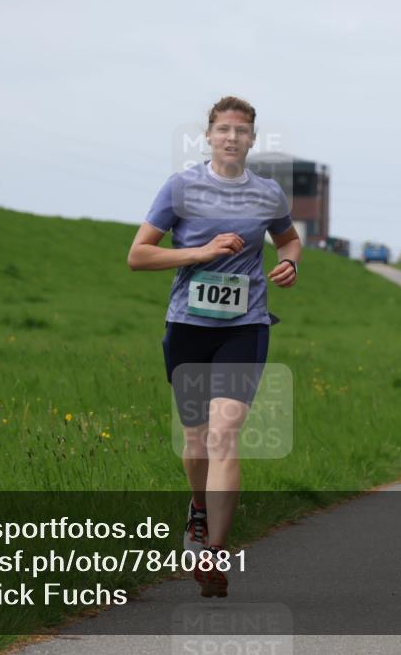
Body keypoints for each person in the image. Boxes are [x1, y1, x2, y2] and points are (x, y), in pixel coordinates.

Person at [127, 96, 301, 597]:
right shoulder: (181, 187)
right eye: (223, 129)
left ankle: (216, 553)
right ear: (208, 136)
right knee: (197, 439)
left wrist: (291, 262)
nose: (231, 137)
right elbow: (138, 255)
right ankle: (198, 510)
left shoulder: (267, 194)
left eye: (241, 130)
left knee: (226, 432)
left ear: (252, 138)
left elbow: (288, 239)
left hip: (245, 324)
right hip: (188, 325)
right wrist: (201, 252)